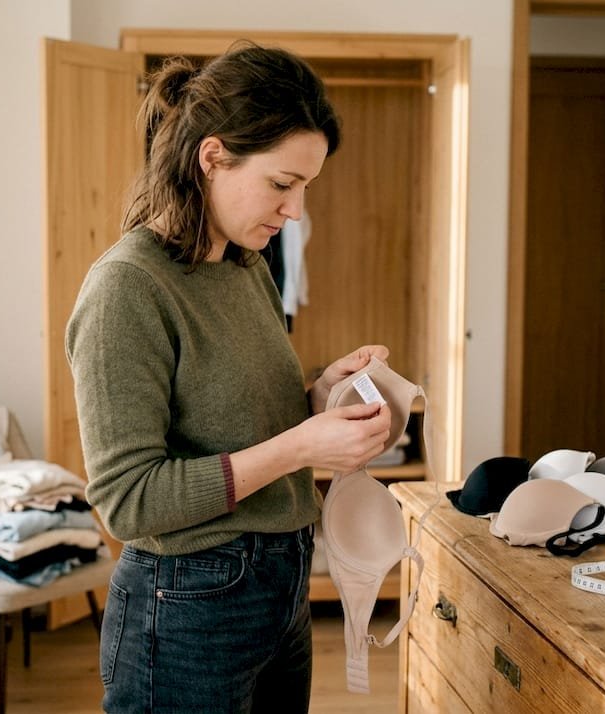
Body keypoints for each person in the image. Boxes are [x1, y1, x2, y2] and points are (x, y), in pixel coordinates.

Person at [65, 42, 392, 713]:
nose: (295, 212)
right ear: (211, 157)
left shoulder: (246, 266)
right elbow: (129, 501)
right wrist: (303, 447)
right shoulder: (127, 288)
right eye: (281, 185)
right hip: (184, 609)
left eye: (305, 188)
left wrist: (321, 396)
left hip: (280, 590)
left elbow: (236, 424)